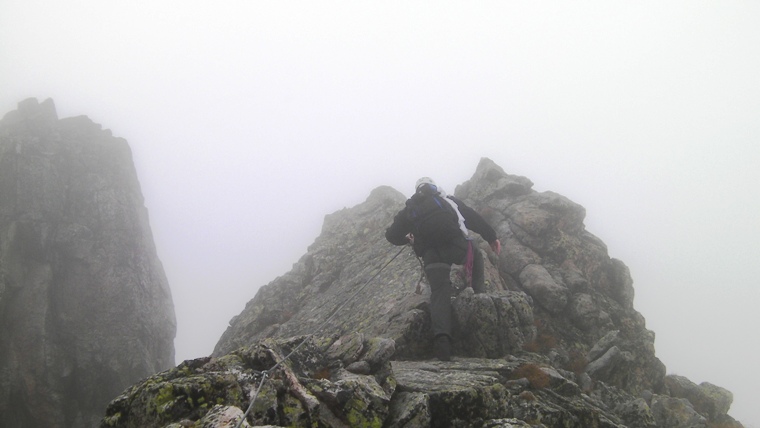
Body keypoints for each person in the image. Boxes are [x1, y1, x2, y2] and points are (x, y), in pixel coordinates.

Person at [385, 177, 501, 360]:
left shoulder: (410, 209)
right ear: (433, 187)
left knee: (439, 293)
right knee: (476, 253)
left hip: (432, 255)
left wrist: (407, 239)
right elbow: (471, 217)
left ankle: (443, 345)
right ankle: (480, 297)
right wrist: (491, 237)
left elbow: (391, 236)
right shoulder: (447, 200)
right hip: (456, 246)